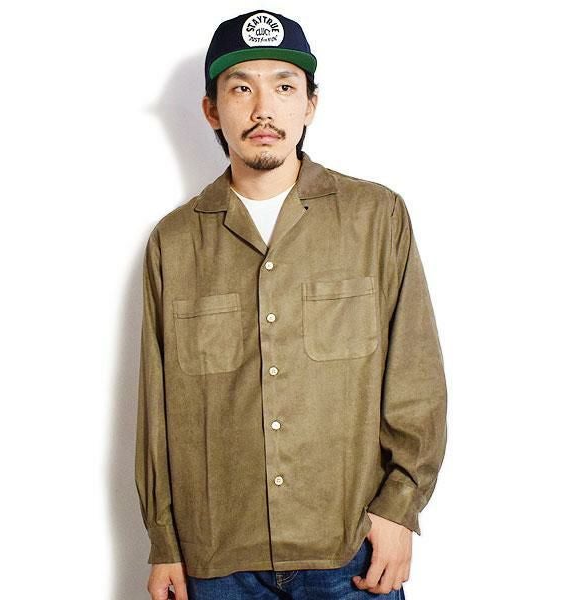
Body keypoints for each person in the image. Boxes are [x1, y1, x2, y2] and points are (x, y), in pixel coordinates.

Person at [134, 9, 448, 600]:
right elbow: (157, 406)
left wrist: (400, 508)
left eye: (283, 87)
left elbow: (416, 374)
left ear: (310, 105)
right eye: (241, 88)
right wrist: (164, 540)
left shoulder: (376, 218)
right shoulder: (174, 243)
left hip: (350, 552)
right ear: (211, 110)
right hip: (216, 560)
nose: (263, 110)